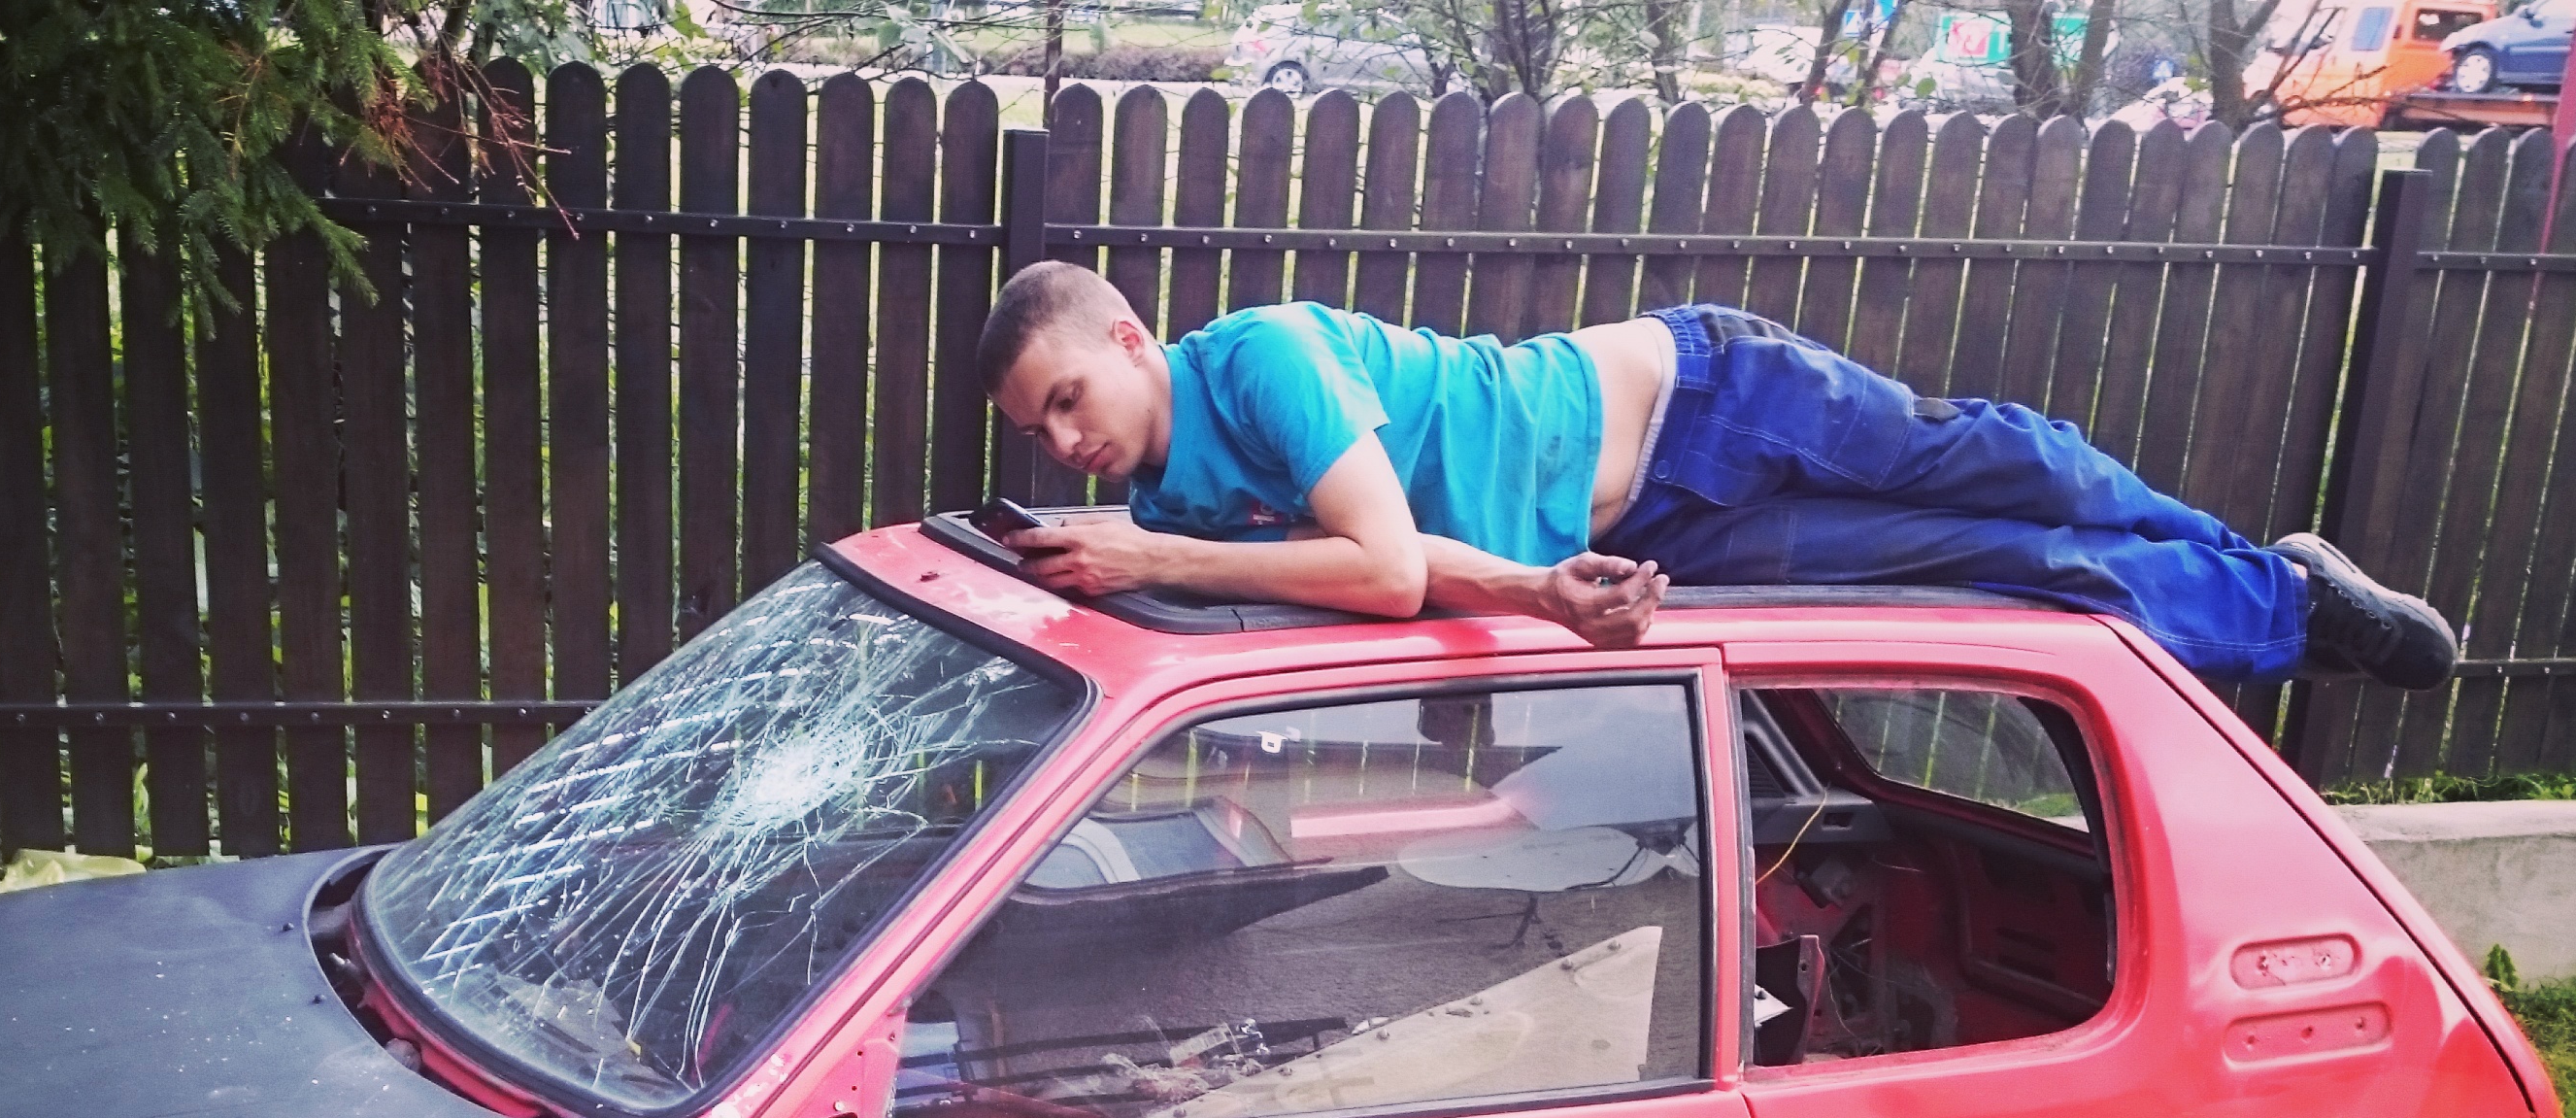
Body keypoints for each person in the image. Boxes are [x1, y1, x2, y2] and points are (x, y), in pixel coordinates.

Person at [973, 260, 2455, 689]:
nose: (1064, 441)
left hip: (1704, 402)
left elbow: (1382, 564)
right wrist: (1543, 596)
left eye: (1067, 398)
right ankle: (2287, 614)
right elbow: (1417, 569)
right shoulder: (1175, 505)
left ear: (1131, 338)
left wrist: (1154, 561)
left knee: (2011, 469)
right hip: (1659, 535)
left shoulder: (1261, 360)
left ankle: (2275, 575)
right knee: (1995, 572)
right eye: (1038, 432)